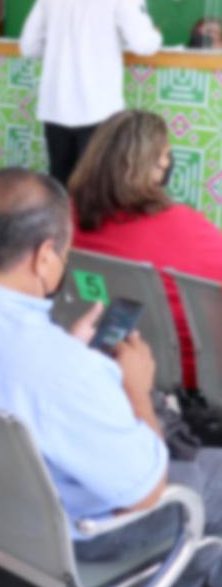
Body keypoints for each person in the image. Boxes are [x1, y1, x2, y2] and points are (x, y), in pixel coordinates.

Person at [0, 167, 222, 587]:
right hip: (83, 531)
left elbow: (1, 366)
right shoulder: (65, 371)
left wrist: (67, 350)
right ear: (44, 256)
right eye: (65, 252)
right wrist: (136, 390)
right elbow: (147, 492)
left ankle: (206, 562)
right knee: (210, 473)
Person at [69, 109, 222, 391]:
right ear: (156, 165)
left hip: (93, 356)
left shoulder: (63, 219)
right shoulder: (186, 226)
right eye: (165, 155)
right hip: (181, 377)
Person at [19, 0, 162, 185]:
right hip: (98, 110)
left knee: (60, 185)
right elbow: (143, 44)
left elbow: (28, 46)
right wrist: (155, 34)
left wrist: (62, 49)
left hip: (55, 107)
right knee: (95, 187)